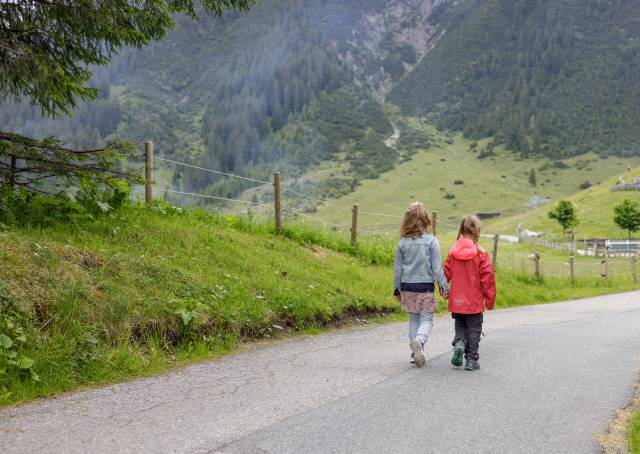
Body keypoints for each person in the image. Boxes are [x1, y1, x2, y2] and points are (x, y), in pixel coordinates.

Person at [394, 202, 449, 367]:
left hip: (407, 286)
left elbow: (397, 270)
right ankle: (419, 341)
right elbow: (437, 268)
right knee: (427, 319)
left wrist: (397, 289)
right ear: (426, 220)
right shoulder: (432, 241)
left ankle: (414, 352)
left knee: (413, 320)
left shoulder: (402, 243)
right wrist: (444, 287)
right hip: (425, 286)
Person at [444, 215, 496, 371]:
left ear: (461, 230)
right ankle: (472, 360)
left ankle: (459, 342)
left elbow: (445, 272)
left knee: (460, 324)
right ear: (477, 231)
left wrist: (444, 289)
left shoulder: (452, 252)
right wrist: (489, 299)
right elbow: (488, 278)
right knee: (474, 328)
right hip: (473, 300)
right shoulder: (481, 253)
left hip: (456, 300)